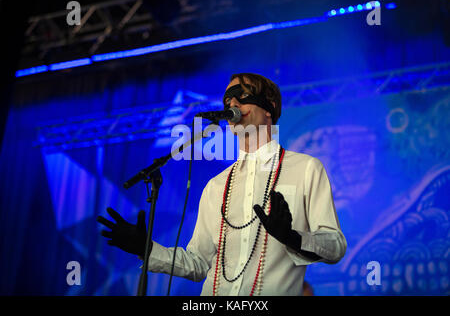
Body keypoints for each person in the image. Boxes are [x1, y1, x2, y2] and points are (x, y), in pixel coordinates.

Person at [97, 73, 347, 296]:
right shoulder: (216, 186)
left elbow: (335, 246)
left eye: (242, 96)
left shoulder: (305, 168)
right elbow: (197, 262)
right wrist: (148, 249)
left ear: (269, 106)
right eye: (227, 100)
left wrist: (292, 237)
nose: (233, 104)